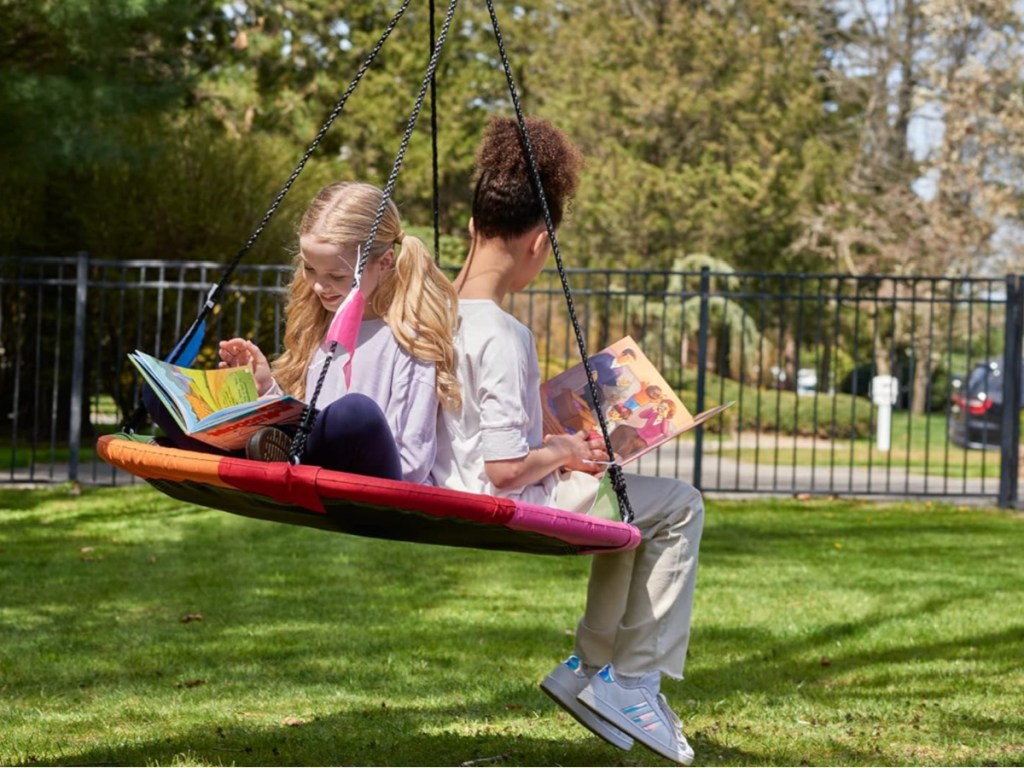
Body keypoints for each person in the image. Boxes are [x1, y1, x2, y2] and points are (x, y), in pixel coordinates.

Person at [431, 116, 704, 765]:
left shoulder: (438, 315)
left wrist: (560, 438)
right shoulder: (502, 333)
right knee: (682, 503)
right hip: (500, 500)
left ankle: (587, 670)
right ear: (538, 246)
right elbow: (501, 469)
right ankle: (633, 681)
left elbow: (474, 428)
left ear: (473, 229)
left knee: (630, 505)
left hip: (454, 486)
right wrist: (560, 453)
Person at [151, 181, 460, 484]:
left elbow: (412, 464)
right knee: (158, 393)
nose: (319, 287)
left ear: (384, 262)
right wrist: (266, 390)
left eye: (337, 276)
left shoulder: (408, 340)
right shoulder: (320, 322)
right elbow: (302, 413)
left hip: (372, 476)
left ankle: (282, 464)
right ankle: (259, 462)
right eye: (310, 269)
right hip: (306, 459)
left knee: (354, 414)